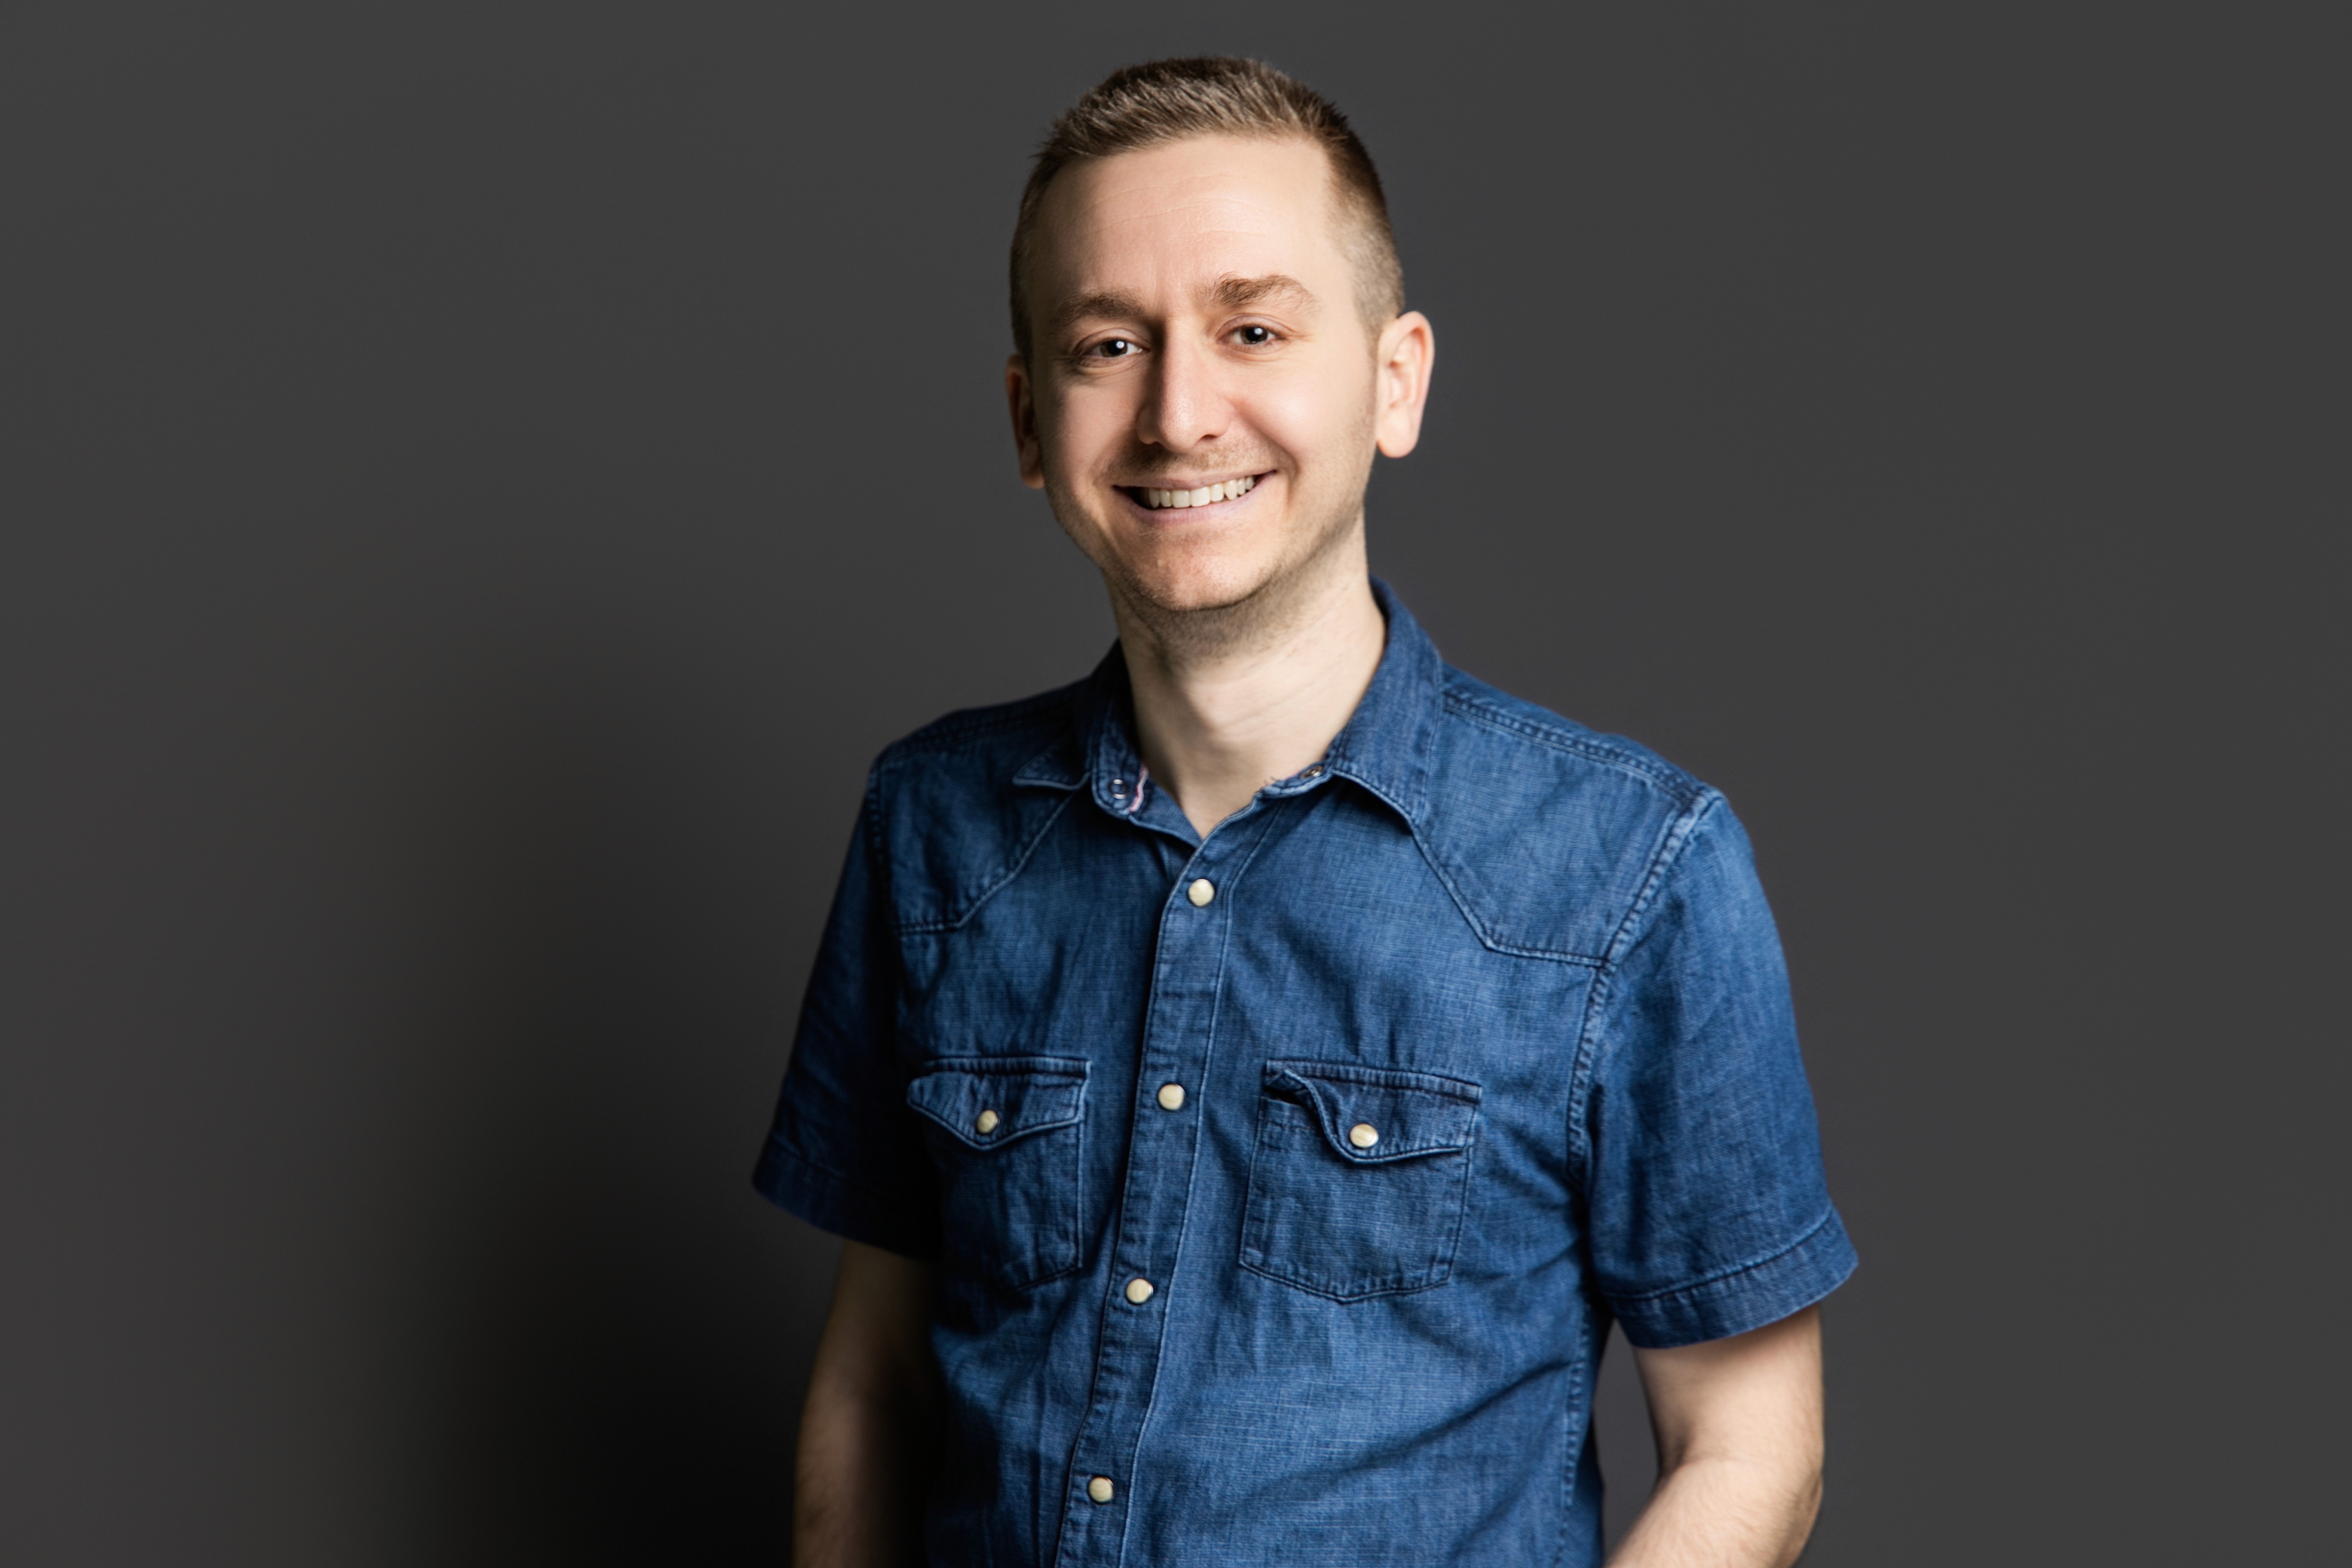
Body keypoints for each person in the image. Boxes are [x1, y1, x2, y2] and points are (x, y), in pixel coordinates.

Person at [755, 55, 1855, 1568]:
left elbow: (1753, 1450)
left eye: (1252, 328)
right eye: (1106, 345)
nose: (1177, 412)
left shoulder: (1631, 873)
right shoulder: (930, 827)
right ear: (1030, 421)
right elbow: (873, 1384)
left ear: (1394, 379)